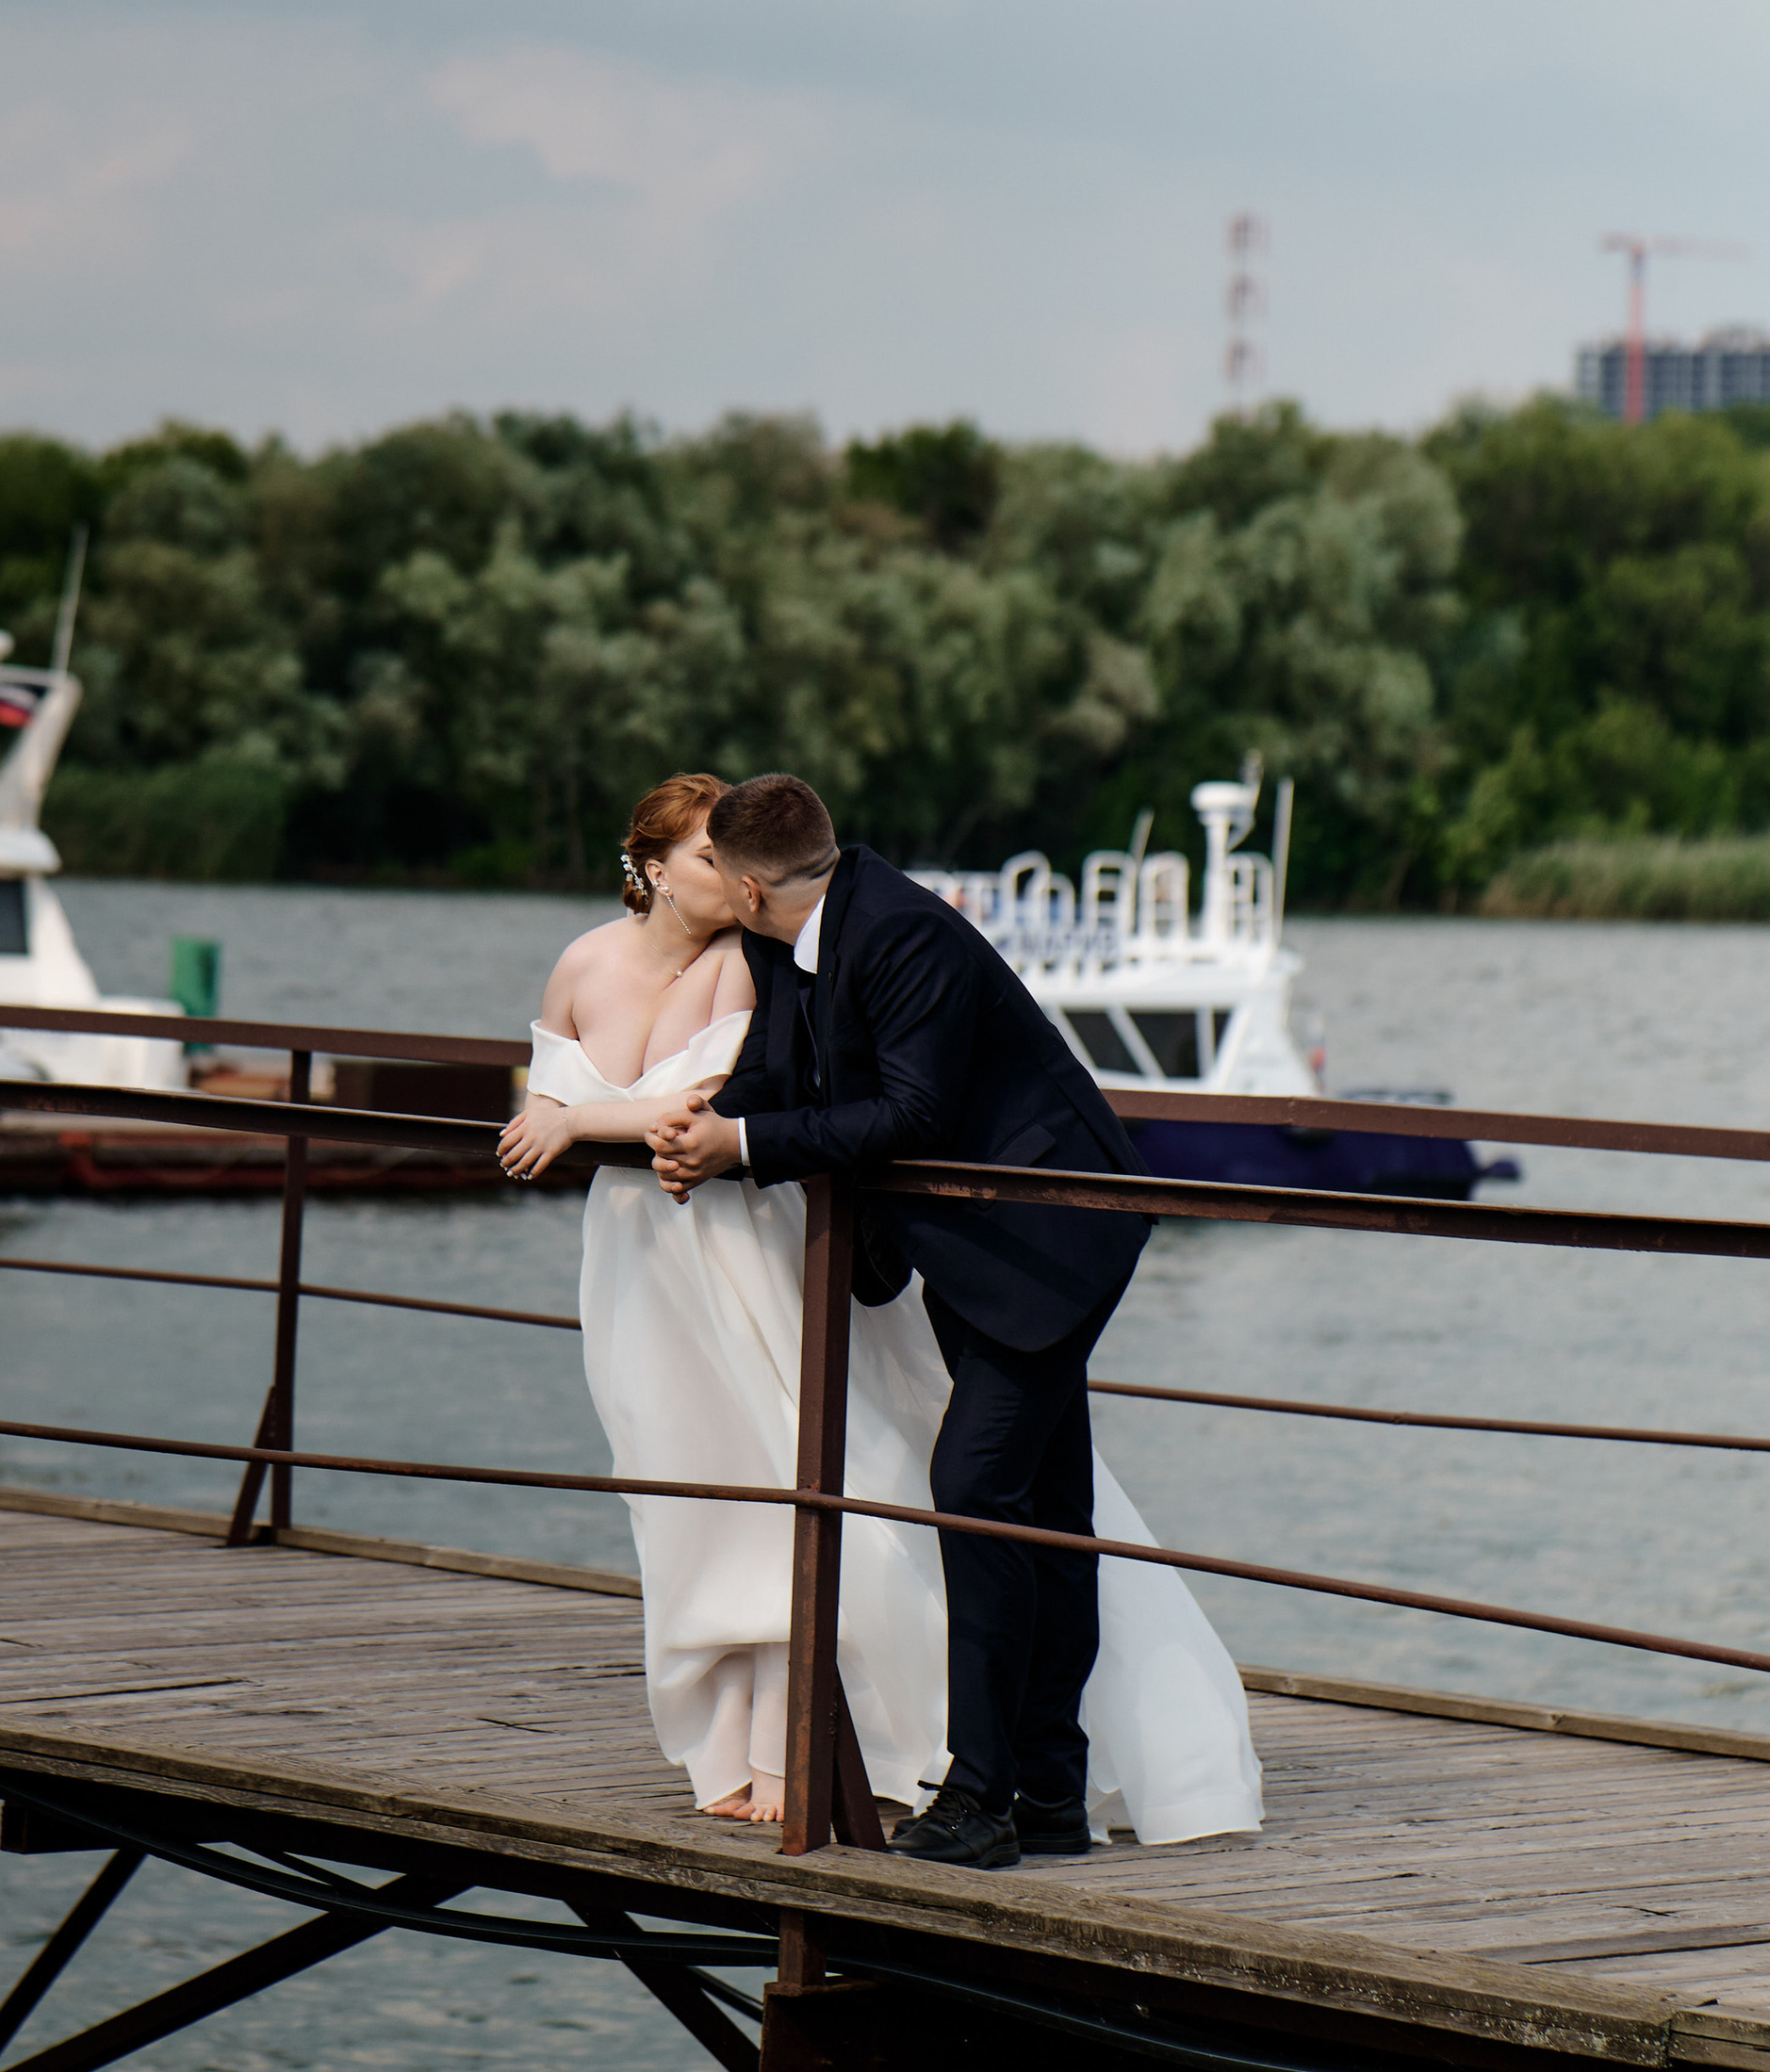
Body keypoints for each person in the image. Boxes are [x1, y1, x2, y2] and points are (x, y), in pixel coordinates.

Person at [508, 773, 1261, 1855]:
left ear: (756, 889)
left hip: (1051, 1236)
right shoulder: (790, 927)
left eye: (730, 872)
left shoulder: (905, 936)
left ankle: (980, 1800)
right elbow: (773, 1070)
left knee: (974, 1490)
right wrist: (698, 1125)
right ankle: (1047, 1789)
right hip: (969, 1249)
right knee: (1044, 1511)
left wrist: (743, 1149)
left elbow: (908, 1110)